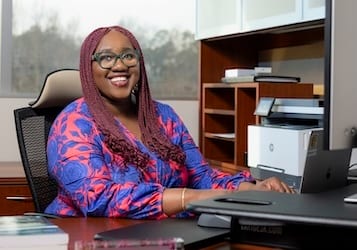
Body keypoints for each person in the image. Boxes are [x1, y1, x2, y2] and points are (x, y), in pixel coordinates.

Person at [45, 25, 294, 219]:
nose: (119, 65)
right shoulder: (74, 123)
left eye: (128, 56)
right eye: (106, 58)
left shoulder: (164, 117)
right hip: (91, 235)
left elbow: (202, 177)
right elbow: (98, 199)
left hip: (166, 231)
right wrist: (189, 198)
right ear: (89, 68)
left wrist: (249, 188)